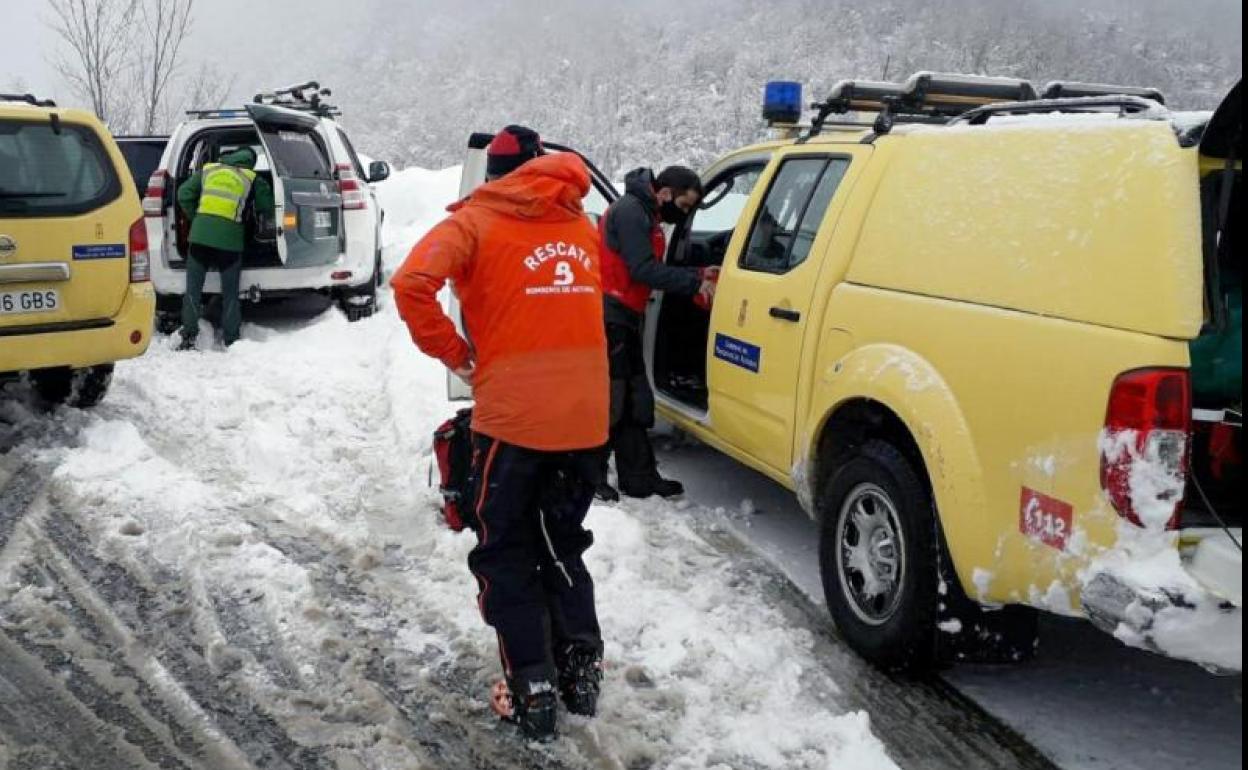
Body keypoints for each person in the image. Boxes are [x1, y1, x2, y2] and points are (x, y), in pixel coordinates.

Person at [391, 125, 609, 742]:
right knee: (562, 543)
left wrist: (458, 355)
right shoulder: (579, 224)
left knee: (506, 549)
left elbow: (410, 284)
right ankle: (581, 670)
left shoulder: (475, 223)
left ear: (492, 175)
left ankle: (532, 686)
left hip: (514, 422)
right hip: (586, 420)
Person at [597, 165, 715, 501]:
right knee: (613, 401)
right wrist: (695, 282)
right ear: (664, 193)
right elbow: (642, 268)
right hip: (609, 316)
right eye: (683, 205)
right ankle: (590, 476)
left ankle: (639, 477)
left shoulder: (645, 211)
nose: (684, 214)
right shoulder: (631, 212)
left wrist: (699, 270)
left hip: (625, 315)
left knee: (636, 398)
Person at [175, 146, 274, 349]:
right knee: (230, 295)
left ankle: (189, 336)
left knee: (193, 290)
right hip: (230, 242)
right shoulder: (252, 178)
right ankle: (231, 340)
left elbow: (183, 193)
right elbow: (267, 207)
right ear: (250, 162)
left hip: (200, 238)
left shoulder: (209, 170)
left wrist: (198, 218)